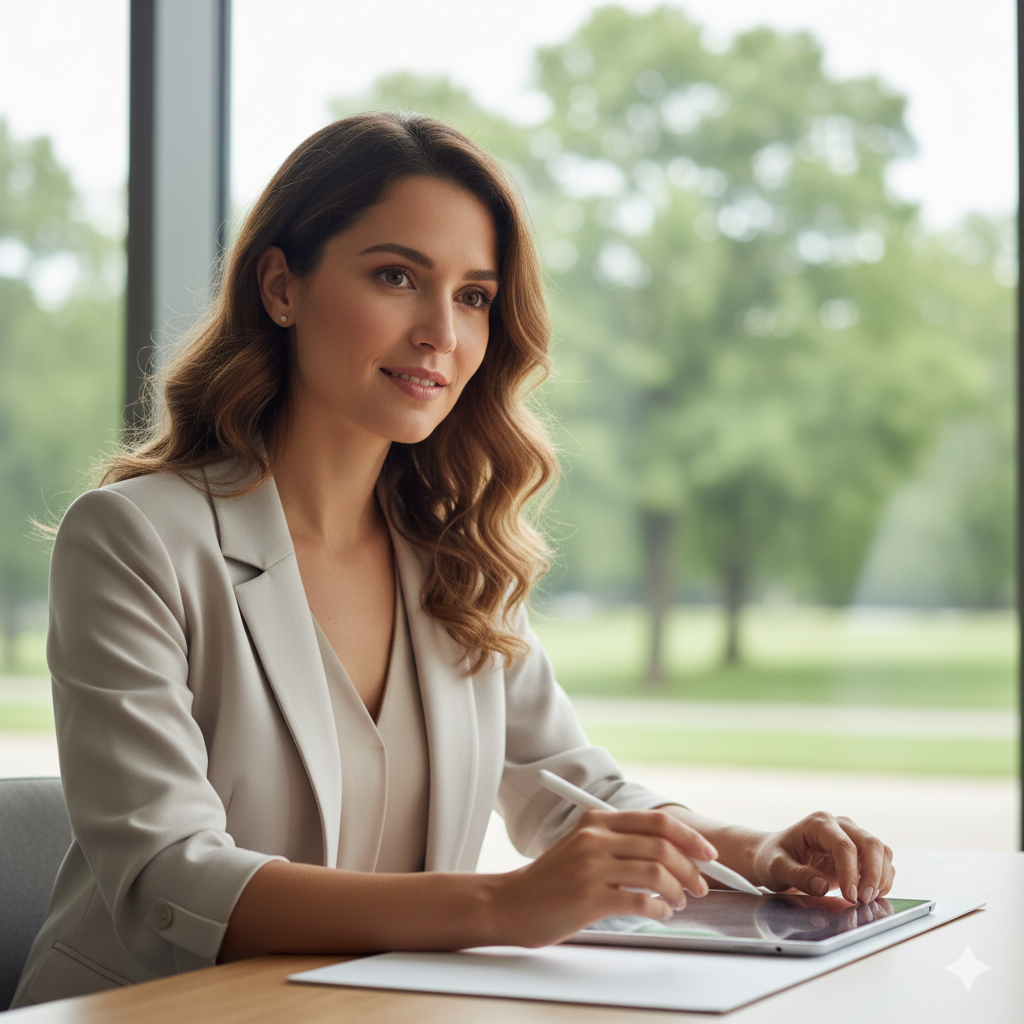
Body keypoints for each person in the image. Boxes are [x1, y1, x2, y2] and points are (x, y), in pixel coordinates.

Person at [12, 113, 894, 1008]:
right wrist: (501, 906)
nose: (441, 330)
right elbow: (170, 874)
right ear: (281, 286)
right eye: (397, 276)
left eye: (473, 295)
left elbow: (569, 790)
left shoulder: (455, 553)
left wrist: (757, 850)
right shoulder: (134, 539)